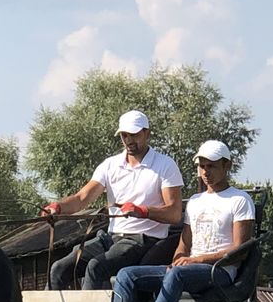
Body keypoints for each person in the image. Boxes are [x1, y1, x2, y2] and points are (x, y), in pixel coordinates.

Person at [110, 139, 255, 302]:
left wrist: (193, 261)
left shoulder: (240, 200)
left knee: (176, 275)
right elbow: (184, 243)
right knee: (126, 275)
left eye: (211, 166)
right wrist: (178, 259)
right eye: (201, 166)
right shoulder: (195, 201)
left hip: (220, 272)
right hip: (188, 270)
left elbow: (239, 251)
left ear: (227, 166)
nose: (205, 172)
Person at [41, 110, 184, 290]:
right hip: (110, 238)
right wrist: (58, 207)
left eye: (134, 134)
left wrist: (142, 211)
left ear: (147, 133)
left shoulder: (165, 165)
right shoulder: (110, 165)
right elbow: (81, 198)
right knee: (58, 269)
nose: (129, 140)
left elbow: (174, 214)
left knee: (95, 267)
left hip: (143, 240)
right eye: (124, 135)